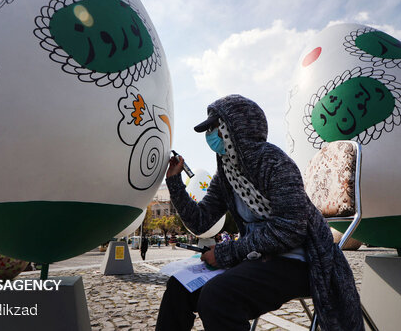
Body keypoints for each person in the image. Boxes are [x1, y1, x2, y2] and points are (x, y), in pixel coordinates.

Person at [156, 95, 363, 331]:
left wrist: (229, 252)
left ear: (235, 128)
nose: (209, 135)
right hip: (257, 257)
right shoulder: (227, 172)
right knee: (178, 288)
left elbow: (291, 229)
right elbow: (201, 221)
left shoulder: (274, 163)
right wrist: (175, 183)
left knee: (218, 297)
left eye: (214, 127)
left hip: (300, 260)